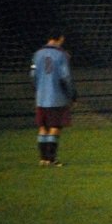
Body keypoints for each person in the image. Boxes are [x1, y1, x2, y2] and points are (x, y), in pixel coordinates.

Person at [30, 28, 77, 167]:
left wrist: (38, 89)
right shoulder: (61, 55)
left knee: (42, 126)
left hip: (41, 97)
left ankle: (43, 159)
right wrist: (72, 95)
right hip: (57, 97)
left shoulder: (37, 54)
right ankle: (52, 158)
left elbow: (32, 75)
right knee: (55, 126)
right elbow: (65, 77)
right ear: (60, 39)